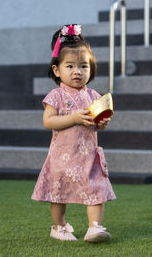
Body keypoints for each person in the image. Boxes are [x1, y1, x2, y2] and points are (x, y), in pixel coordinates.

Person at [31, 24, 116, 242]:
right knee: (58, 193)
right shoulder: (56, 96)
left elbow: (96, 123)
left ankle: (95, 227)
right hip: (63, 155)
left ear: (91, 69)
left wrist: (102, 123)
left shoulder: (93, 95)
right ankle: (59, 227)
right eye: (69, 66)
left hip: (88, 154)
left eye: (83, 66)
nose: (77, 71)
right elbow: (48, 121)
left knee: (96, 189)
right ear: (57, 70)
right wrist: (74, 118)